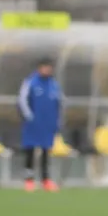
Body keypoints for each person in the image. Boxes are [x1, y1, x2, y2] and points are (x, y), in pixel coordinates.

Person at [17, 57, 64, 192]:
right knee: (30, 150)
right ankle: (29, 179)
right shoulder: (30, 82)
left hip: (48, 124)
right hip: (33, 124)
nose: (47, 70)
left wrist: (57, 121)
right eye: (45, 67)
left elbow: (59, 103)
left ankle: (45, 180)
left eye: (49, 67)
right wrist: (29, 117)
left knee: (46, 151)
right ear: (39, 68)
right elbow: (22, 101)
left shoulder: (54, 85)